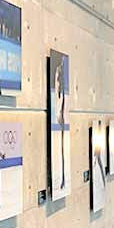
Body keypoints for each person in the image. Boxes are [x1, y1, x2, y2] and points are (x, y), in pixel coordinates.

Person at [54, 59, 66, 190]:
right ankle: (62, 178)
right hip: (60, 115)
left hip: (61, 116)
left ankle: (62, 178)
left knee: (62, 148)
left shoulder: (60, 92)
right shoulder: (59, 75)